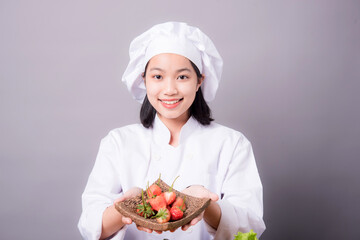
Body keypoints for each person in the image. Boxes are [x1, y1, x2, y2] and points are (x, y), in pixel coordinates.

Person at [78, 22, 266, 240]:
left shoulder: (232, 143)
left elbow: (249, 227)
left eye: (182, 77)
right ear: (144, 80)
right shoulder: (117, 142)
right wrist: (128, 207)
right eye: (158, 76)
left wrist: (206, 206)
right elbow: (90, 226)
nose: (169, 89)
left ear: (199, 82)